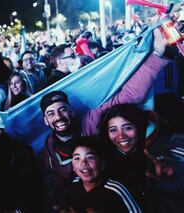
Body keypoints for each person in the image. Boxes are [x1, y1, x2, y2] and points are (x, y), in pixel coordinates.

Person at [38, 25, 168, 211]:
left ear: (72, 111)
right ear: (45, 121)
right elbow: (55, 183)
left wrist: (157, 51)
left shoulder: (91, 120)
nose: (58, 117)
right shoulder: (48, 151)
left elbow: (129, 95)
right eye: (51, 113)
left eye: (62, 110)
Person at [62, 136, 142, 213]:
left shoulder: (116, 189)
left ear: (102, 164)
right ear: (73, 167)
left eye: (90, 157)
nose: (83, 163)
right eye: (77, 158)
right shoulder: (73, 186)